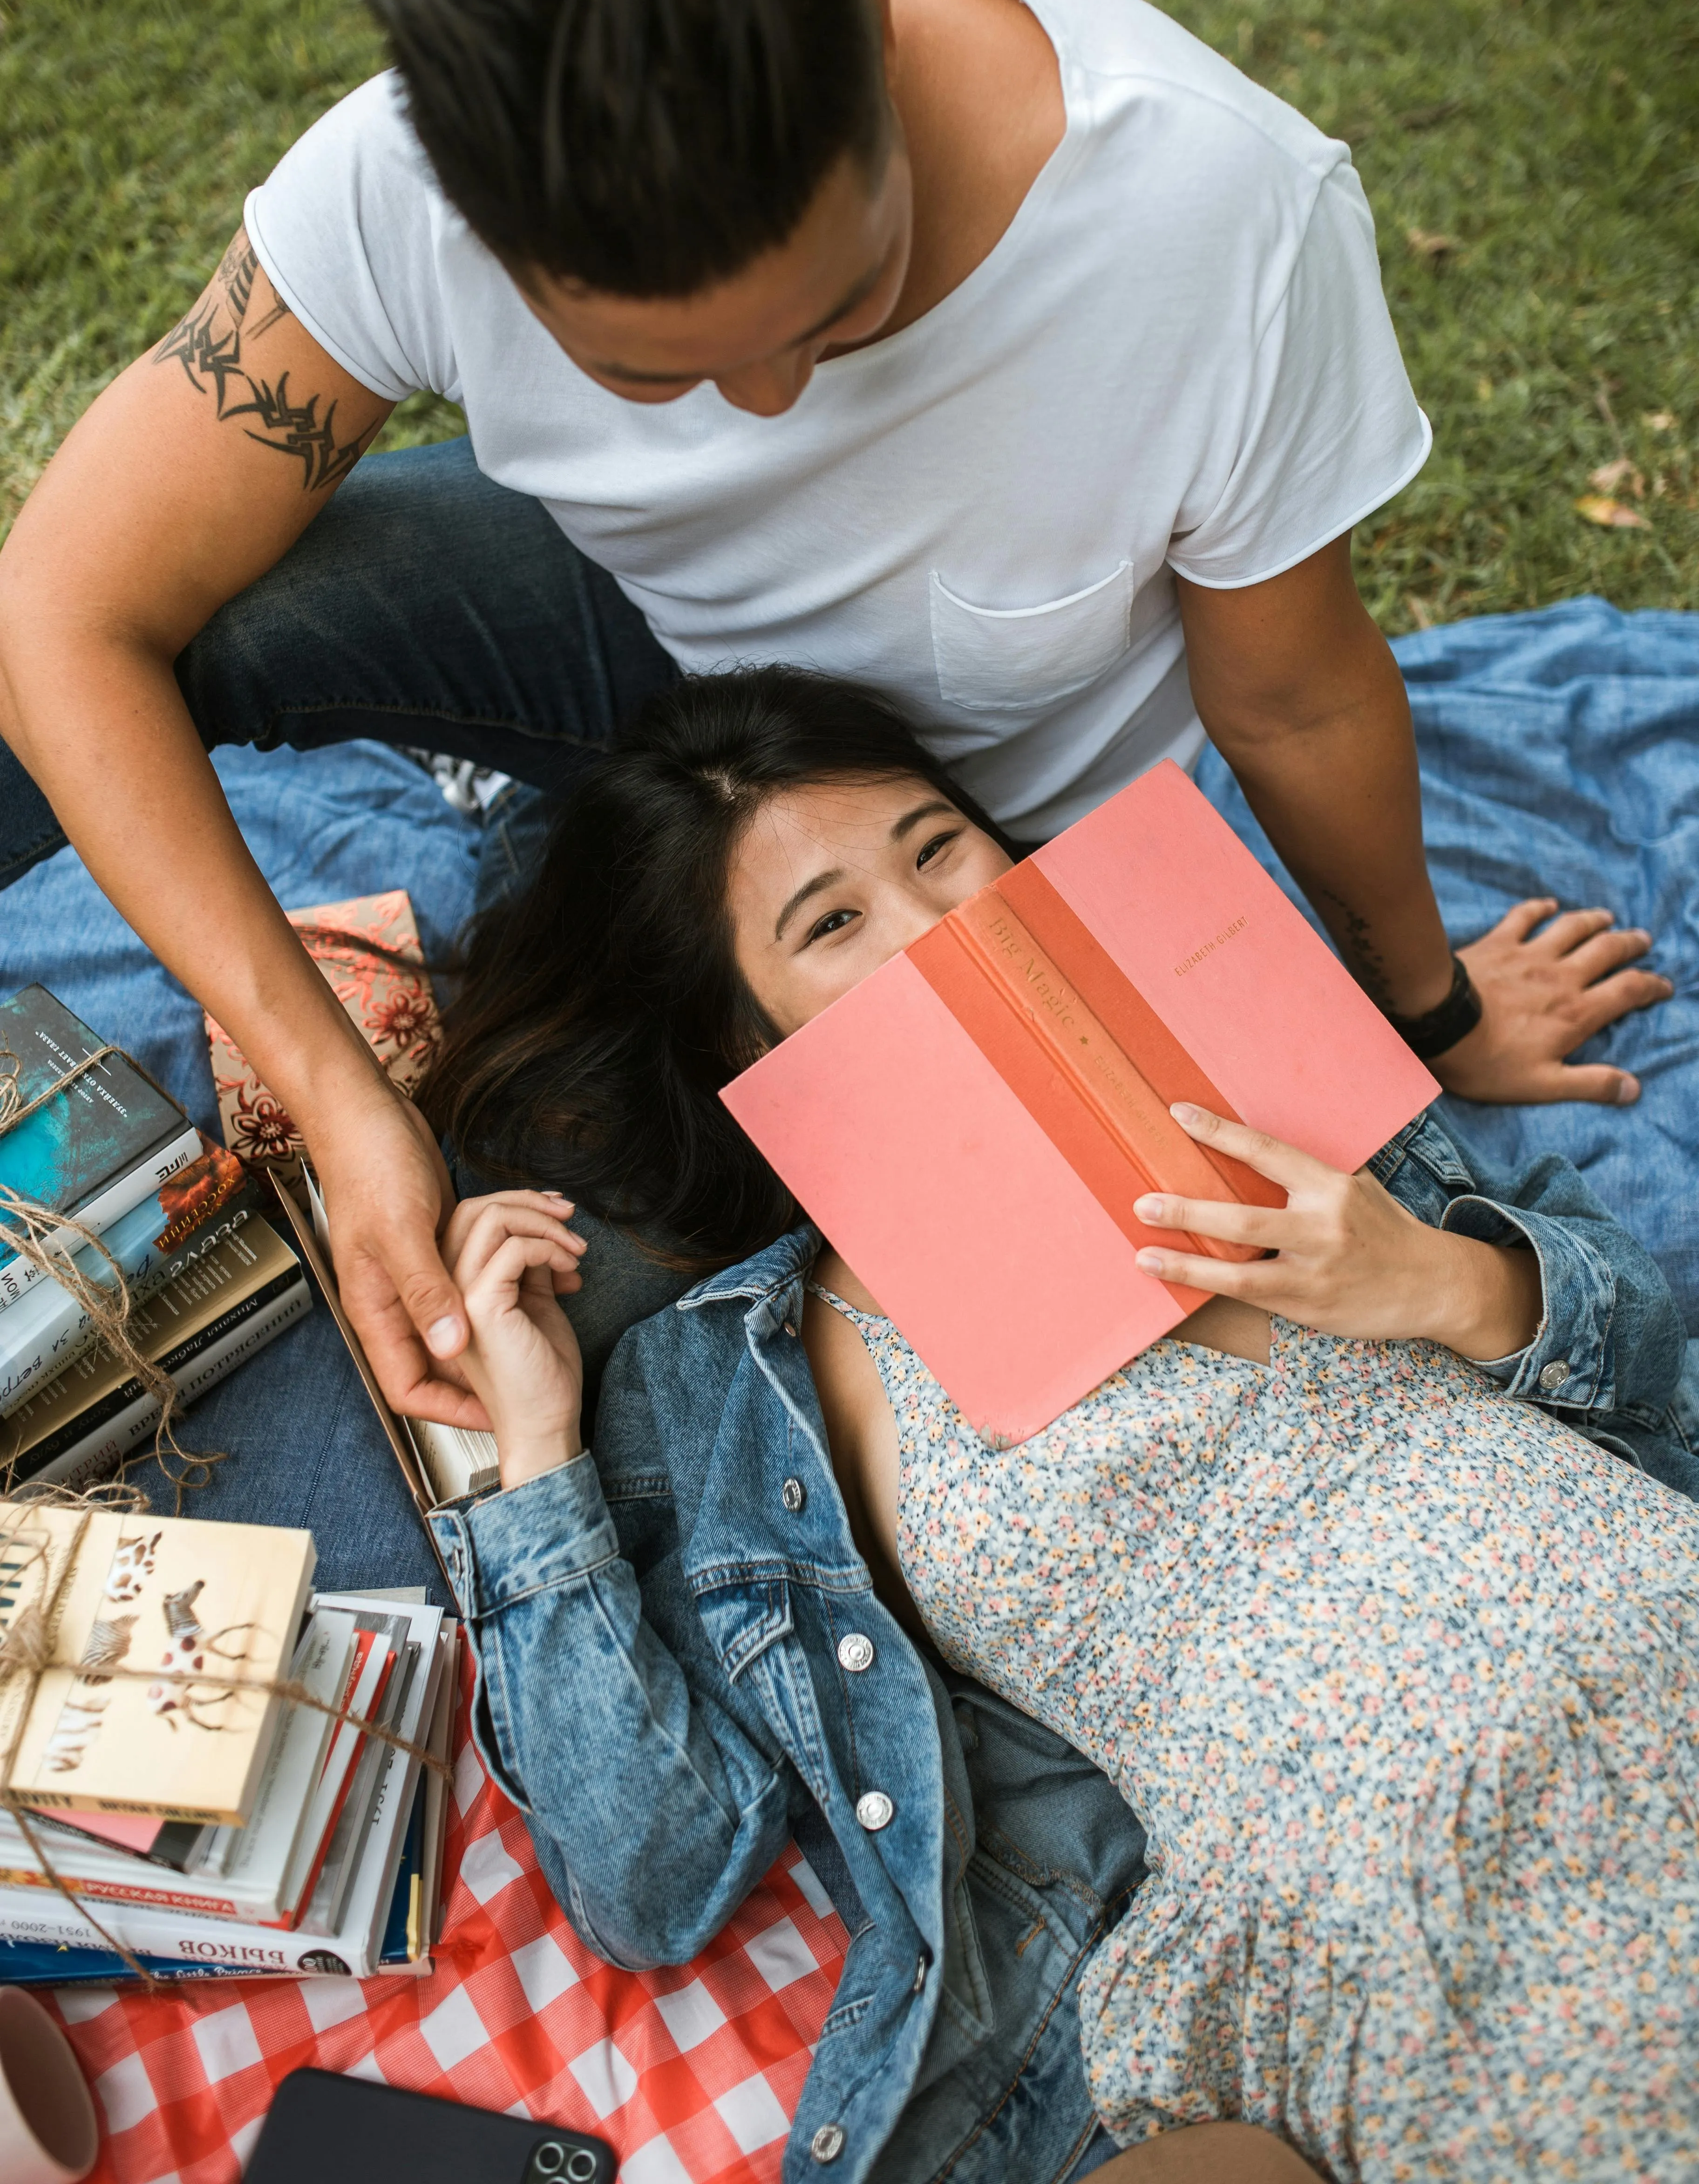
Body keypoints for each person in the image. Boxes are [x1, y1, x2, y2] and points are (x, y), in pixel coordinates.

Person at [0, 0, 1671, 1443]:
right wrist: (333, 1095)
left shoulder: (1206, 212)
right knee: (168, 654)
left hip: (938, 841)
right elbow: (62, 614)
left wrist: (1422, 1010)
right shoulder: (405, 182)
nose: (783, 411)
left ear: (873, 26)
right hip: (633, 644)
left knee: (557, 1327)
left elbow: (1297, 698)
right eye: (665, 377)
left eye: (843, 302)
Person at [415, 667, 1698, 2184]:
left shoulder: (1253, 1067)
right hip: (1378, 1895)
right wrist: (536, 1456)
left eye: (938, 848)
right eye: (829, 924)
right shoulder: (740, 1378)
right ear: (751, 1053)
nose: (936, 924)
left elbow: (1643, 1344)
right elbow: (653, 1877)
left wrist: (1430, 1277)